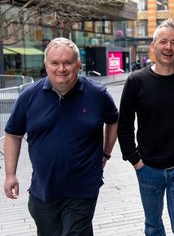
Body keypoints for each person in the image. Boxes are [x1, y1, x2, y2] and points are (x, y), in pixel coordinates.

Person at [3, 37, 118, 236]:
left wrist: (106, 154)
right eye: (55, 63)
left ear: (78, 64)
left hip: (83, 188)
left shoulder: (97, 94)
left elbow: (114, 120)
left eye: (68, 62)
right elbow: (13, 134)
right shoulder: (28, 96)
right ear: (46, 65)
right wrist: (10, 174)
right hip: (43, 190)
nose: (61, 69)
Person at [117, 19, 174, 236]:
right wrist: (135, 160)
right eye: (164, 41)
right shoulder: (136, 81)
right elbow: (125, 124)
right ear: (153, 46)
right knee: (153, 226)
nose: (169, 47)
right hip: (147, 168)